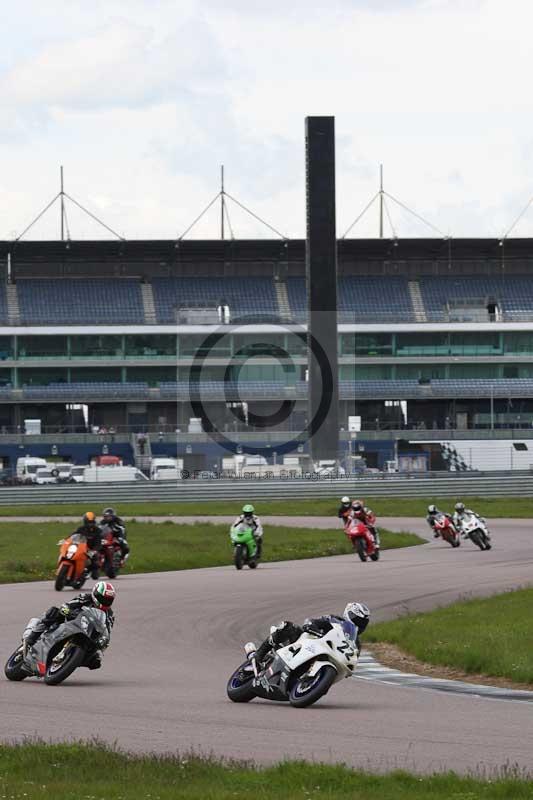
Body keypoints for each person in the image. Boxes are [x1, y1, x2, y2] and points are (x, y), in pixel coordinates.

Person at [22, 581, 116, 669]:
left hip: (87, 633)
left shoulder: (109, 614)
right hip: (71, 621)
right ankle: (32, 637)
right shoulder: (85, 598)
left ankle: (68, 661)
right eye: (103, 598)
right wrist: (68, 611)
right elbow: (67, 605)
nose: (105, 601)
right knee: (54, 612)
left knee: (95, 660)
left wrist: (103, 640)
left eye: (108, 600)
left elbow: (107, 630)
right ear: (95, 594)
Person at [253, 602, 370, 667]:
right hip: (307, 643)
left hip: (326, 658)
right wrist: (313, 629)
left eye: (363, 623)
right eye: (357, 619)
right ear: (348, 613)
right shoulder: (335, 620)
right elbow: (312, 621)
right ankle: (259, 654)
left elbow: (352, 661)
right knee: (288, 626)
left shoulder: (356, 644)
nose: (359, 624)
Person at [71, 511, 103, 579]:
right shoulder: (81, 528)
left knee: (94, 558)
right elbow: (73, 535)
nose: (89, 524)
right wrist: (66, 540)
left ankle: (94, 570)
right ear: (85, 521)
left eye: (91, 522)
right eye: (88, 522)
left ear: (94, 522)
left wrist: (94, 550)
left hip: (92, 548)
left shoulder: (98, 531)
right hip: (80, 547)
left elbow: (98, 542)